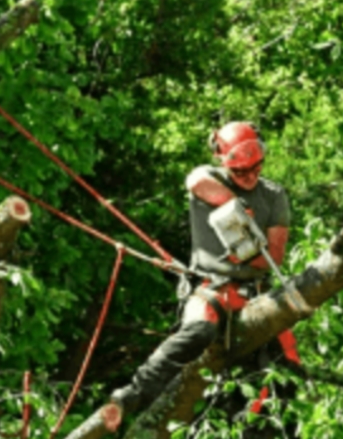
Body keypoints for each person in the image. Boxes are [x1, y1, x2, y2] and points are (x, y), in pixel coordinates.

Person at [103, 122, 301, 421]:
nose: (249, 176)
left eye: (255, 168)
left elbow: (272, 256)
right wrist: (235, 208)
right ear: (223, 160)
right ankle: (135, 391)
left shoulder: (273, 195)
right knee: (200, 329)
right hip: (211, 287)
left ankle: (266, 437)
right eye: (240, 171)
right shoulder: (209, 178)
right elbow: (195, 180)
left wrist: (248, 247)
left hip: (255, 292)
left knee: (285, 366)